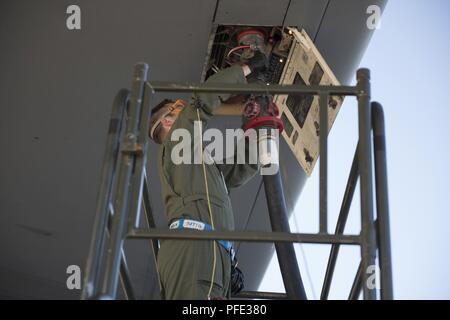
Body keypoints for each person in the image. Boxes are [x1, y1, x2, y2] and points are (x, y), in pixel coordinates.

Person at [148, 51, 267, 299]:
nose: (185, 110)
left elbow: (245, 165)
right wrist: (245, 68)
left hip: (209, 250)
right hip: (194, 246)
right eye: (179, 108)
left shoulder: (197, 165)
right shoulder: (177, 141)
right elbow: (202, 101)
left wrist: (254, 124)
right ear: (168, 122)